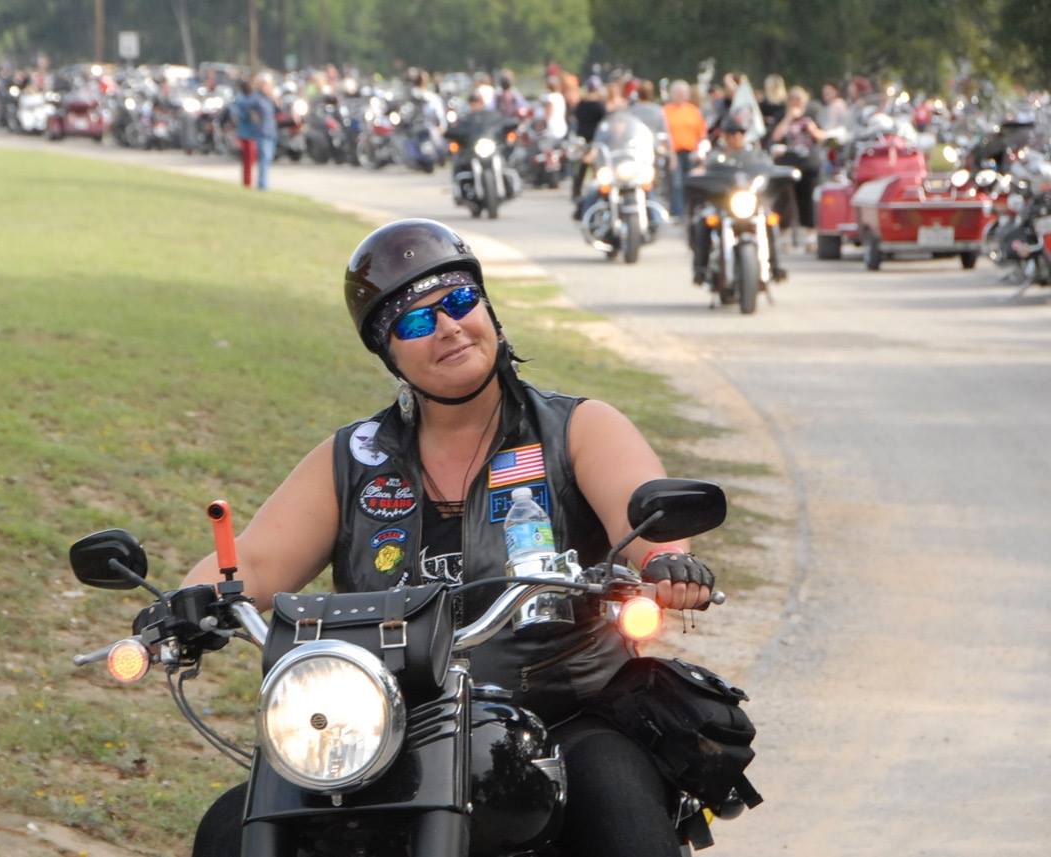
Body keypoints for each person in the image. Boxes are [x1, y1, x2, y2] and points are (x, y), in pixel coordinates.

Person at [185, 218, 716, 857]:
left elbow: (644, 517)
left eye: (460, 302)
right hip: (385, 728)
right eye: (414, 322)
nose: (448, 328)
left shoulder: (576, 428)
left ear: (486, 307)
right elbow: (258, 558)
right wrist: (189, 600)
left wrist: (665, 564)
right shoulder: (353, 458)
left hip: (565, 715)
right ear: (388, 354)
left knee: (622, 812)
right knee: (229, 830)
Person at [689, 120, 787, 285]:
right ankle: (700, 268)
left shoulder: (756, 156)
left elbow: (768, 171)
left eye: (740, 133)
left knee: (770, 219)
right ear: (724, 136)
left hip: (749, 203)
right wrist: (698, 173)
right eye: (731, 133)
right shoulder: (716, 157)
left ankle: (776, 266)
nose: (736, 137)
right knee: (702, 221)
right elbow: (704, 171)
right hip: (723, 204)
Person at [768, 85, 825, 232]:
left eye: (799, 100)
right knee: (784, 198)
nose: (796, 103)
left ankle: (809, 230)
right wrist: (788, 118)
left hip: (807, 161)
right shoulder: (781, 115)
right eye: (793, 100)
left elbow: (821, 136)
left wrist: (812, 128)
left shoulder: (811, 114)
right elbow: (775, 136)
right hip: (787, 162)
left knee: (807, 197)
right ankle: (784, 230)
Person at [662, 79, 707, 219]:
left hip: (691, 152)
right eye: (678, 92)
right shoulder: (665, 111)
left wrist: (701, 151)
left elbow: (702, 134)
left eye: (683, 93)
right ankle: (677, 214)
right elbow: (662, 134)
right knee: (676, 184)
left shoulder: (693, 111)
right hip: (673, 153)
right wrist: (669, 153)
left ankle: (692, 211)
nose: (681, 95)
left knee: (692, 181)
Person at [251, 74, 279, 190]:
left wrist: (275, 99)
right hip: (262, 131)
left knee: (269, 157)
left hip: (271, 131)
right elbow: (249, 111)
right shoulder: (256, 98)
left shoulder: (270, 98)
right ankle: (262, 185)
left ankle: (263, 183)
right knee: (264, 157)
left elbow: (278, 111)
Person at [232, 80, 259, 188]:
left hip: (249, 132)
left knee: (249, 159)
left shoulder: (241, 99)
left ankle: (247, 181)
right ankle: (247, 182)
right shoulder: (244, 100)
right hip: (247, 133)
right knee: (249, 159)